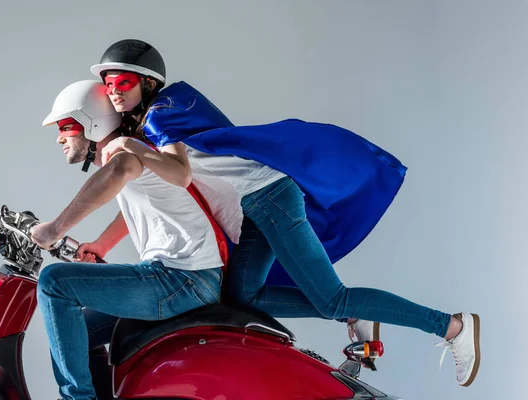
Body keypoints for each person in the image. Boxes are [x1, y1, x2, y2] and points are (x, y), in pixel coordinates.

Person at [90, 39, 481, 387]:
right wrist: (100, 244)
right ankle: (354, 315)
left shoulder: (161, 116)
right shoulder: (158, 118)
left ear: (148, 82)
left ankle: (452, 326)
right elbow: (150, 198)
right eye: (108, 85)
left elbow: (179, 174)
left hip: (268, 198)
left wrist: (129, 144)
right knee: (242, 295)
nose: (114, 92)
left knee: (332, 298)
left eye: (122, 82)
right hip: (252, 210)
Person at [30, 80, 227, 400]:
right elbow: (142, 205)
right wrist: (103, 244)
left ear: (91, 122)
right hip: (183, 279)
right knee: (71, 330)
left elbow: (117, 173)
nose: (59, 137)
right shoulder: (139, 153)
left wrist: (55, 228)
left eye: (66, 126)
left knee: (55, 283)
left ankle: (76, 398)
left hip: (181, 280)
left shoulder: (125, 151)